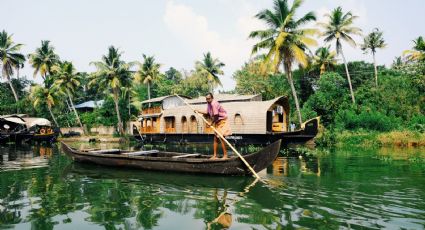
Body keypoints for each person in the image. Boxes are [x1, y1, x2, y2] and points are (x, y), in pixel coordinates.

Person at [195, 93, 232, 159]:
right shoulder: (209, 104)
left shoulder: (214, 104)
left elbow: (216, 116)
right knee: (215, 138)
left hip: (222, 121)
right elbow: (207, 112)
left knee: (221, 137)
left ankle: (225, 155)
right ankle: (215, 156)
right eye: (206, 99)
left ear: (212, 98)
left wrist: (211, 123)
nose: (207, 100)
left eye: (209, 99)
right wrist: (198, 111)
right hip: (217, 122)